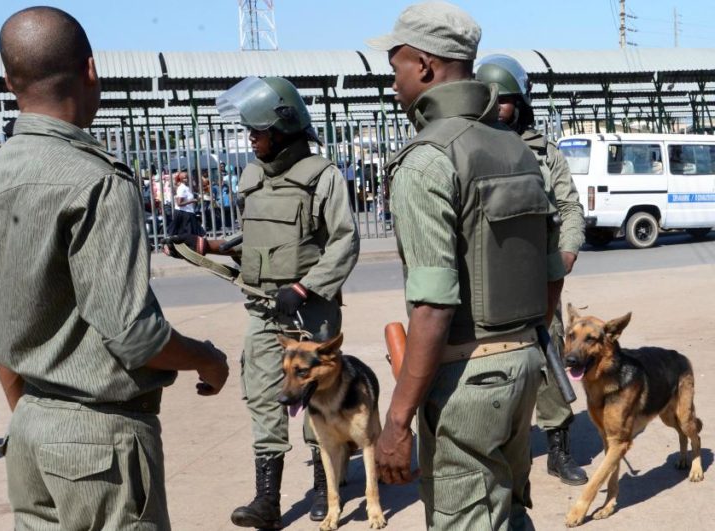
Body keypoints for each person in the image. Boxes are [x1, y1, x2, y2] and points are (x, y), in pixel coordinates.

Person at [0, 7, 229, 530]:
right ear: (91, 70)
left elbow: (2, 328)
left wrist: (34, 416)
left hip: (29, 429)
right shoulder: (97, 182)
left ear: (9, 82)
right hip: (101, 439)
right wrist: (208, 359)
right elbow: (134, 335)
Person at [368, 2, 553, 529]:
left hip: (468, 381)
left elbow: (432, 307)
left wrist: (398, 421)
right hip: (521, 366)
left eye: (396, 66)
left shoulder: (427, 159)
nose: (394, 81)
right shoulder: (517, 151)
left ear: (425, 66)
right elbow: (550, 272)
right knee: (511, 513)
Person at [175, 76, 360, 529]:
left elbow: (344, 242)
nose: (250, 139)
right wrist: (212, 246)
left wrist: (304, 287)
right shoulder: (253, 176)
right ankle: (267, 501)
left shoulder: (323, 177)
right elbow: (258, 240)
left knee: (318, 396)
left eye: (256, 131)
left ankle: (324, 488)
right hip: (263, 310)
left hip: (309, 311)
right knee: (263, 397)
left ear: (282, 128)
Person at [475, 54, 588, 486]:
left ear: (520, 102)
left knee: (549, 359)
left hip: (539, 278)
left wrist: (567, 252)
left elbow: (570, 206)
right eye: (490, 98)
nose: (497, 106)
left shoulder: (546, 152)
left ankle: (558, 450)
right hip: (488, 279)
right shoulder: (473, 148)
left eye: (505, 99)